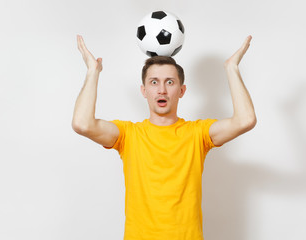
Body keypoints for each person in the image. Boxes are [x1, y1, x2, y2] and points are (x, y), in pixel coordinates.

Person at [72, 34, 256, 240]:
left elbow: (245, 120)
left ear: (182, 90)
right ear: (144, 90)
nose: (162, 90)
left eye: (170, 82)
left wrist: (232, 69)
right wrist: (92, 71)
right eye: (154, 82)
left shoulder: (198, 133)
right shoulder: (128, 134)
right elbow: (82, 123)